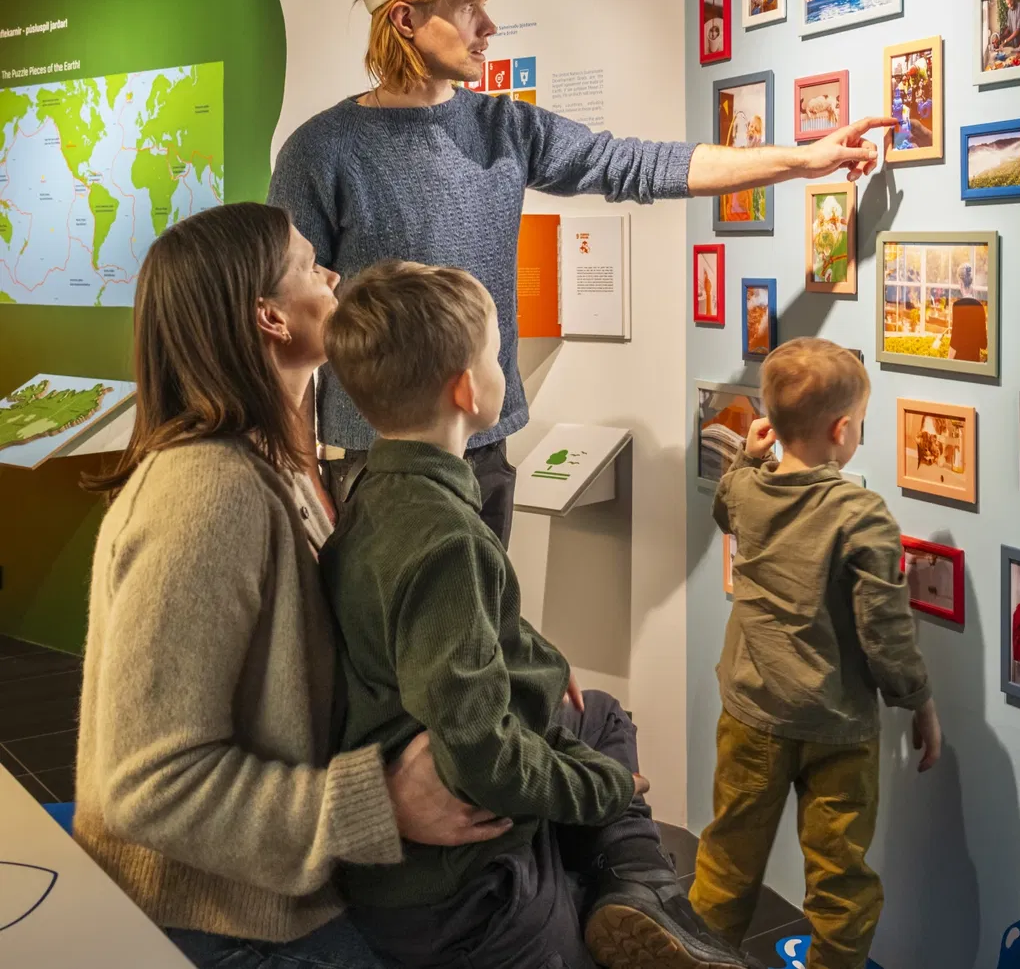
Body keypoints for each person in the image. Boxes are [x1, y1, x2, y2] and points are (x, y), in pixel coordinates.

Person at [269, 0, 895, 547]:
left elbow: (635, 165)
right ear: (406, 19)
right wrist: (303, 473)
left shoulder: (503, 126)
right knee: (390, 643)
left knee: (485, 635)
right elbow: (288, 328)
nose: (488, 26)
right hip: (373, 462)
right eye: (469, 8)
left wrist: (803, 160)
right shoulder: (321, 151)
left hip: (482, 446)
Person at [76, 203, 507, 969]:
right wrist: (377, 802)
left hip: (278, 886)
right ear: (270, 317)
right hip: (225, 918)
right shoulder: (205, 493)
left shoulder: (280, 465)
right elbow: (147, 786)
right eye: (311, 265)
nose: (333, 275)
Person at [316, 261, 751, 969]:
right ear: (467, 387)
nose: (504, 367)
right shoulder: (444, 539)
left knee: (601, 715)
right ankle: (628, 883)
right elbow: (483, 759)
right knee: (606, 770)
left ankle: (634, 885)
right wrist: (605, 788)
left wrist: (535, 657)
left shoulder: (379, 497)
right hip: (467, 897)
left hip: (431, 869)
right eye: (497, 352)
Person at [689, 338, 941, 969]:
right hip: (837, 725)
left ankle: (696, 956)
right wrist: (918, 701)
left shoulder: (747, 493)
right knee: (841, 878)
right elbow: (884, 628)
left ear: (774, 423)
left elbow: (726, 504)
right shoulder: (861, 515)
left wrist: (748, 459)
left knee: (726, 858)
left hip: (751, 714)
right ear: (844, 429)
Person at [949, 262, 988, 362]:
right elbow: (983, 344)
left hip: (959, 362)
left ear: (960, 283)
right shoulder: (980, 307)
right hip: (974, 361)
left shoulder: (957, 306)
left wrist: (948, 363)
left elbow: (954, 342)